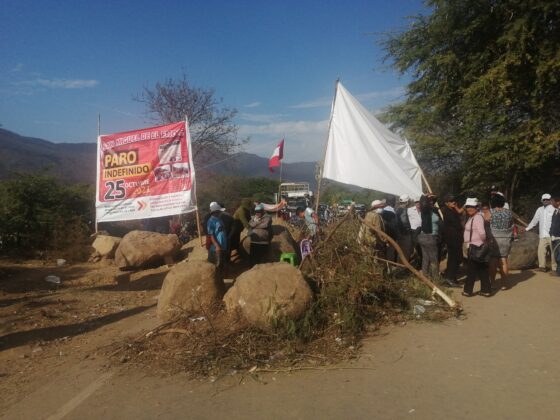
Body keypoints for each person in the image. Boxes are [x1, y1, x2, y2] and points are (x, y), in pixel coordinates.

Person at [463, 198, 492, 297]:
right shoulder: (474, 216)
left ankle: (467, 291)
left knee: (471, 270)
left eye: (472, 207)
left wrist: (481, 243)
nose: (469, 209)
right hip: (477, 246)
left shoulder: (477, 218)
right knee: (482, 269)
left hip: (476, 247)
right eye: (468, 207)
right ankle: (486, 290)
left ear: (476, 207)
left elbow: (482, 233)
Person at [487, 194, 514, 289]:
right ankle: (504, 284)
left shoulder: (490, 212)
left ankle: (492, 283)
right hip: (505, 240)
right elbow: (511, 225)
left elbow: (485, 224)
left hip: (493, 240)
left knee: (493, 261)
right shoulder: (509, 213)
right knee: (504, 261)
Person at [526, 193, 556, 272]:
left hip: (552, 234)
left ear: (550, 200)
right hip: (543, 234)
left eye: (547, 199)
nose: (545, 201)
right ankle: (542, 267)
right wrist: (527, 228)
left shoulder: (554, 208)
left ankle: (555, 268)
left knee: (554, 252)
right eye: (544, 199)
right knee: (541, 251)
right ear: (542, 200)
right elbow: (535, 220)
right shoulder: (539, 209)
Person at [440, 195, 464, 287]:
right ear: (446, 203)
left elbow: (460, 215)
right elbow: (457, 224)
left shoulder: (452, 210)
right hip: (452, 239)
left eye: (454, 200)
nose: (453, 202)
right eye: (451, 201)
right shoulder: (447, 212)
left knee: (455, 258)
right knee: (455, 258)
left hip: (455, 238)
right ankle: (450, 278)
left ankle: (451, 277)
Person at [417, 194, 441, 279]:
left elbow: (435, 198)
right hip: (429, 237)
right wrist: (424, 196)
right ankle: (435, 279)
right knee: (434, 260)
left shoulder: (432, 210)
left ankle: (424, 277)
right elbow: (423, 202)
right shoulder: (425, 211)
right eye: (429, 201)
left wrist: (432, 196)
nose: (431, 202)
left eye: (432, 201)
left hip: (426, 237)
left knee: (426, 258)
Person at [206, 202, 228, 280]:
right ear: (215, 212)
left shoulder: (219, 219)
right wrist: (216, 245)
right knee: (217, 265)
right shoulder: (211, 221)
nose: (220, 212)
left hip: (223, 245)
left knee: (222, 264)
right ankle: (217, 281)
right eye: (219, 211)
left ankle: (221, 280)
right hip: (216, 248)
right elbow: (211, 235)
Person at [396, 195, 412, 260]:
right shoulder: (404, 210)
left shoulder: (397, 209)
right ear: (407, 202)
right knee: (406, 252)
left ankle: (400, 264)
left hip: (399, 234)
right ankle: (404, 265)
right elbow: (404, 222)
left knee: (400, 252)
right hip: (405, 234)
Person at [549, 193, 560, 277]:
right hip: (554, 236)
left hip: (559, 237)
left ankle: (558, 271)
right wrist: (551, 232)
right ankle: (557, 270)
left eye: (552, 201)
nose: (551, 203)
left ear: (558, 202)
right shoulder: (556, 211)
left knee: (559, 255)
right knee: (556, 255)